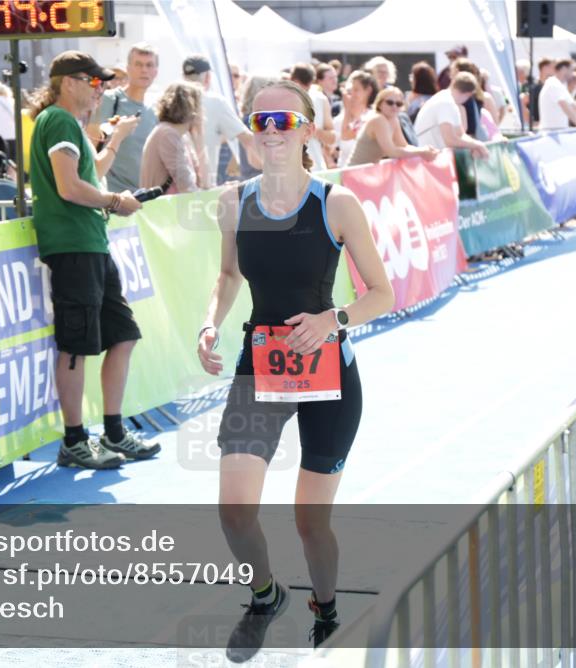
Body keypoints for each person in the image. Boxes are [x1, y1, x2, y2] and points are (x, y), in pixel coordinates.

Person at [197, 79, 394, 657]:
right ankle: (265, 593)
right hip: (261, 367)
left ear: (308, 129)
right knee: (234, 512)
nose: (272, 132)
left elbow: (381, 293)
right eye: (261, 122)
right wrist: (210, 321)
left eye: (284, 121)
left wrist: (334, 319)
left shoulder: (336, 203)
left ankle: (326, 608)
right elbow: (229, 276)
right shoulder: (233, 201)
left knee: (310, 522)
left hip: (329, 374)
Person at [29, 50, 160, 469]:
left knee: (122, 335)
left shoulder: (68, 124)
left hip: (89, 243)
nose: (100, 90)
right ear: (69, 82)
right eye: (94, 82)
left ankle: (114, 432)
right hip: (73, 245)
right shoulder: (60, 121)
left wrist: (116, 140)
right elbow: (70, 187)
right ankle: (74, 440)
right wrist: (115, 201)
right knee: (75, 347)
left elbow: (91, 174)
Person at [181, 54, 260, 188]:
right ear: (207, 78)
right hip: (202, 187)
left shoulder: (166, 103)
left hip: (169, 190)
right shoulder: (216, 103)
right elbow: (248, 139)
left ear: (183, 77)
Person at [90, 43, 160, 193]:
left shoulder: (156, 108)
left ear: (156, 71)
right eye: (138, 64)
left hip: (145, 198)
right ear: (128, 68)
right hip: (112, 197)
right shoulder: (109, 100)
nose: (144, 70)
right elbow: (91, 147)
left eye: (149, 65)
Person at [139, 81, 207, 194]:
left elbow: (204, 182)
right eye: (200, 105)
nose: (203, 111)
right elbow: (186, 186)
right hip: (165, 209)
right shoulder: (168, 134)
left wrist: (199, 137)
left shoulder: (182, 137)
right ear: (191, 108)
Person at [347, 87, 439, 167]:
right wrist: (421, 152)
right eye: (390, 102)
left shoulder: (393, 119)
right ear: (380, 104)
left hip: (365, 172)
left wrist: (424, 150)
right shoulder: (378, 119)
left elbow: (404, 145)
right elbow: (392, 152)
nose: (394, 106)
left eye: (399, 104)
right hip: (354, 172)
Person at [414, 72, 489, 159]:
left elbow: (460, 135)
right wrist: (477, 145)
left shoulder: (448, 100)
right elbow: (450, 140)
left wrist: (476, 145)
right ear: (469, 94)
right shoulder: (446, 103)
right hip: (429, 161)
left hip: (433, 158)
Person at [289, 63, 333, 171]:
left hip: (314, 166)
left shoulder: (320, 99)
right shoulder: (283, 99)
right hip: (295, 168)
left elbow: (332, 137)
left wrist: (310, 130)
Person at [333, 70, 378, 168]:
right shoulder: (339, 120)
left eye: (356, 90)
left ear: (368, 91)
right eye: (350, 90)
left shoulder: (373, 118)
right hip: (343, 177)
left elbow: (346, 135)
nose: (352, 94)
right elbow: (330, 149)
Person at [538, 59, 576, 130]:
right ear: (564, 69)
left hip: (557, 132)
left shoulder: (560, 85)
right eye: (572, 70)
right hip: (551, 133)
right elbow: (563, 104)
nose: (574, 73)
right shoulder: (553, 84)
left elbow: (574, 105)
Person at [529, 58, 554, 129]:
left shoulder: (552, 85)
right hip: (537, 126)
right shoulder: (534, 87)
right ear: (544, 68)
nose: (554, 69)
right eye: (551, 67)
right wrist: (534, 122)